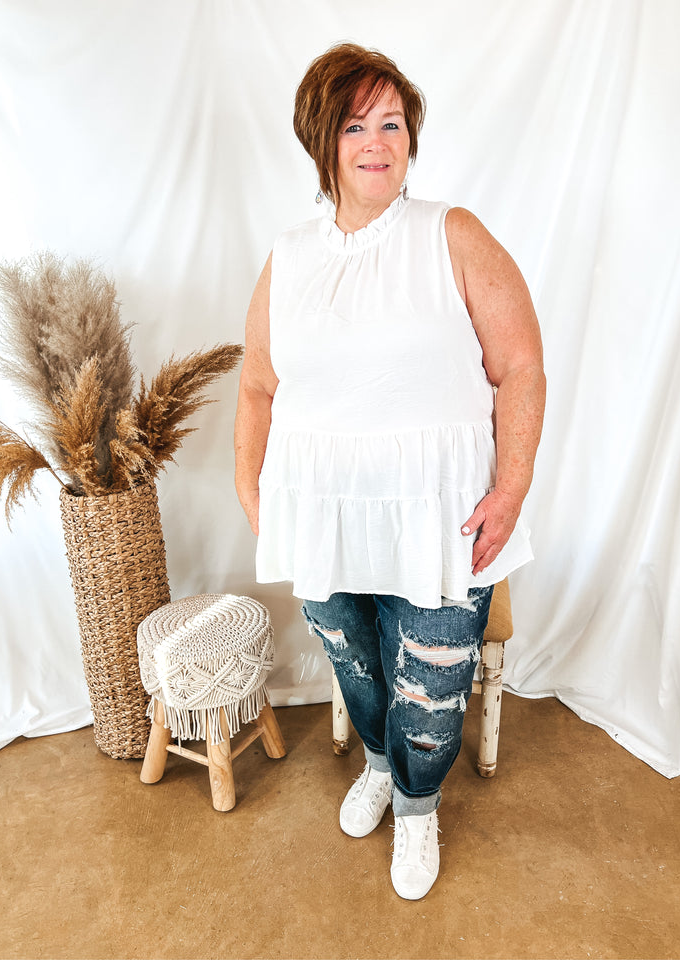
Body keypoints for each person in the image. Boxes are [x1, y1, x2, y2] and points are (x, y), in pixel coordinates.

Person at [234, 42, 546, 900]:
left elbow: (520, 363)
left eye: (393, 123)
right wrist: (252, 489)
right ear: (321, 140)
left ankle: (416, 805)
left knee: (433, 684)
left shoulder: (451, 234)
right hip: (324, 511)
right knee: (358, 665)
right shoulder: (289, 258)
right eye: (356, 125)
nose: (378, 142)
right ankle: (377, 762)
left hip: (440, 512)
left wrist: (511, 486)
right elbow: (258, 388)